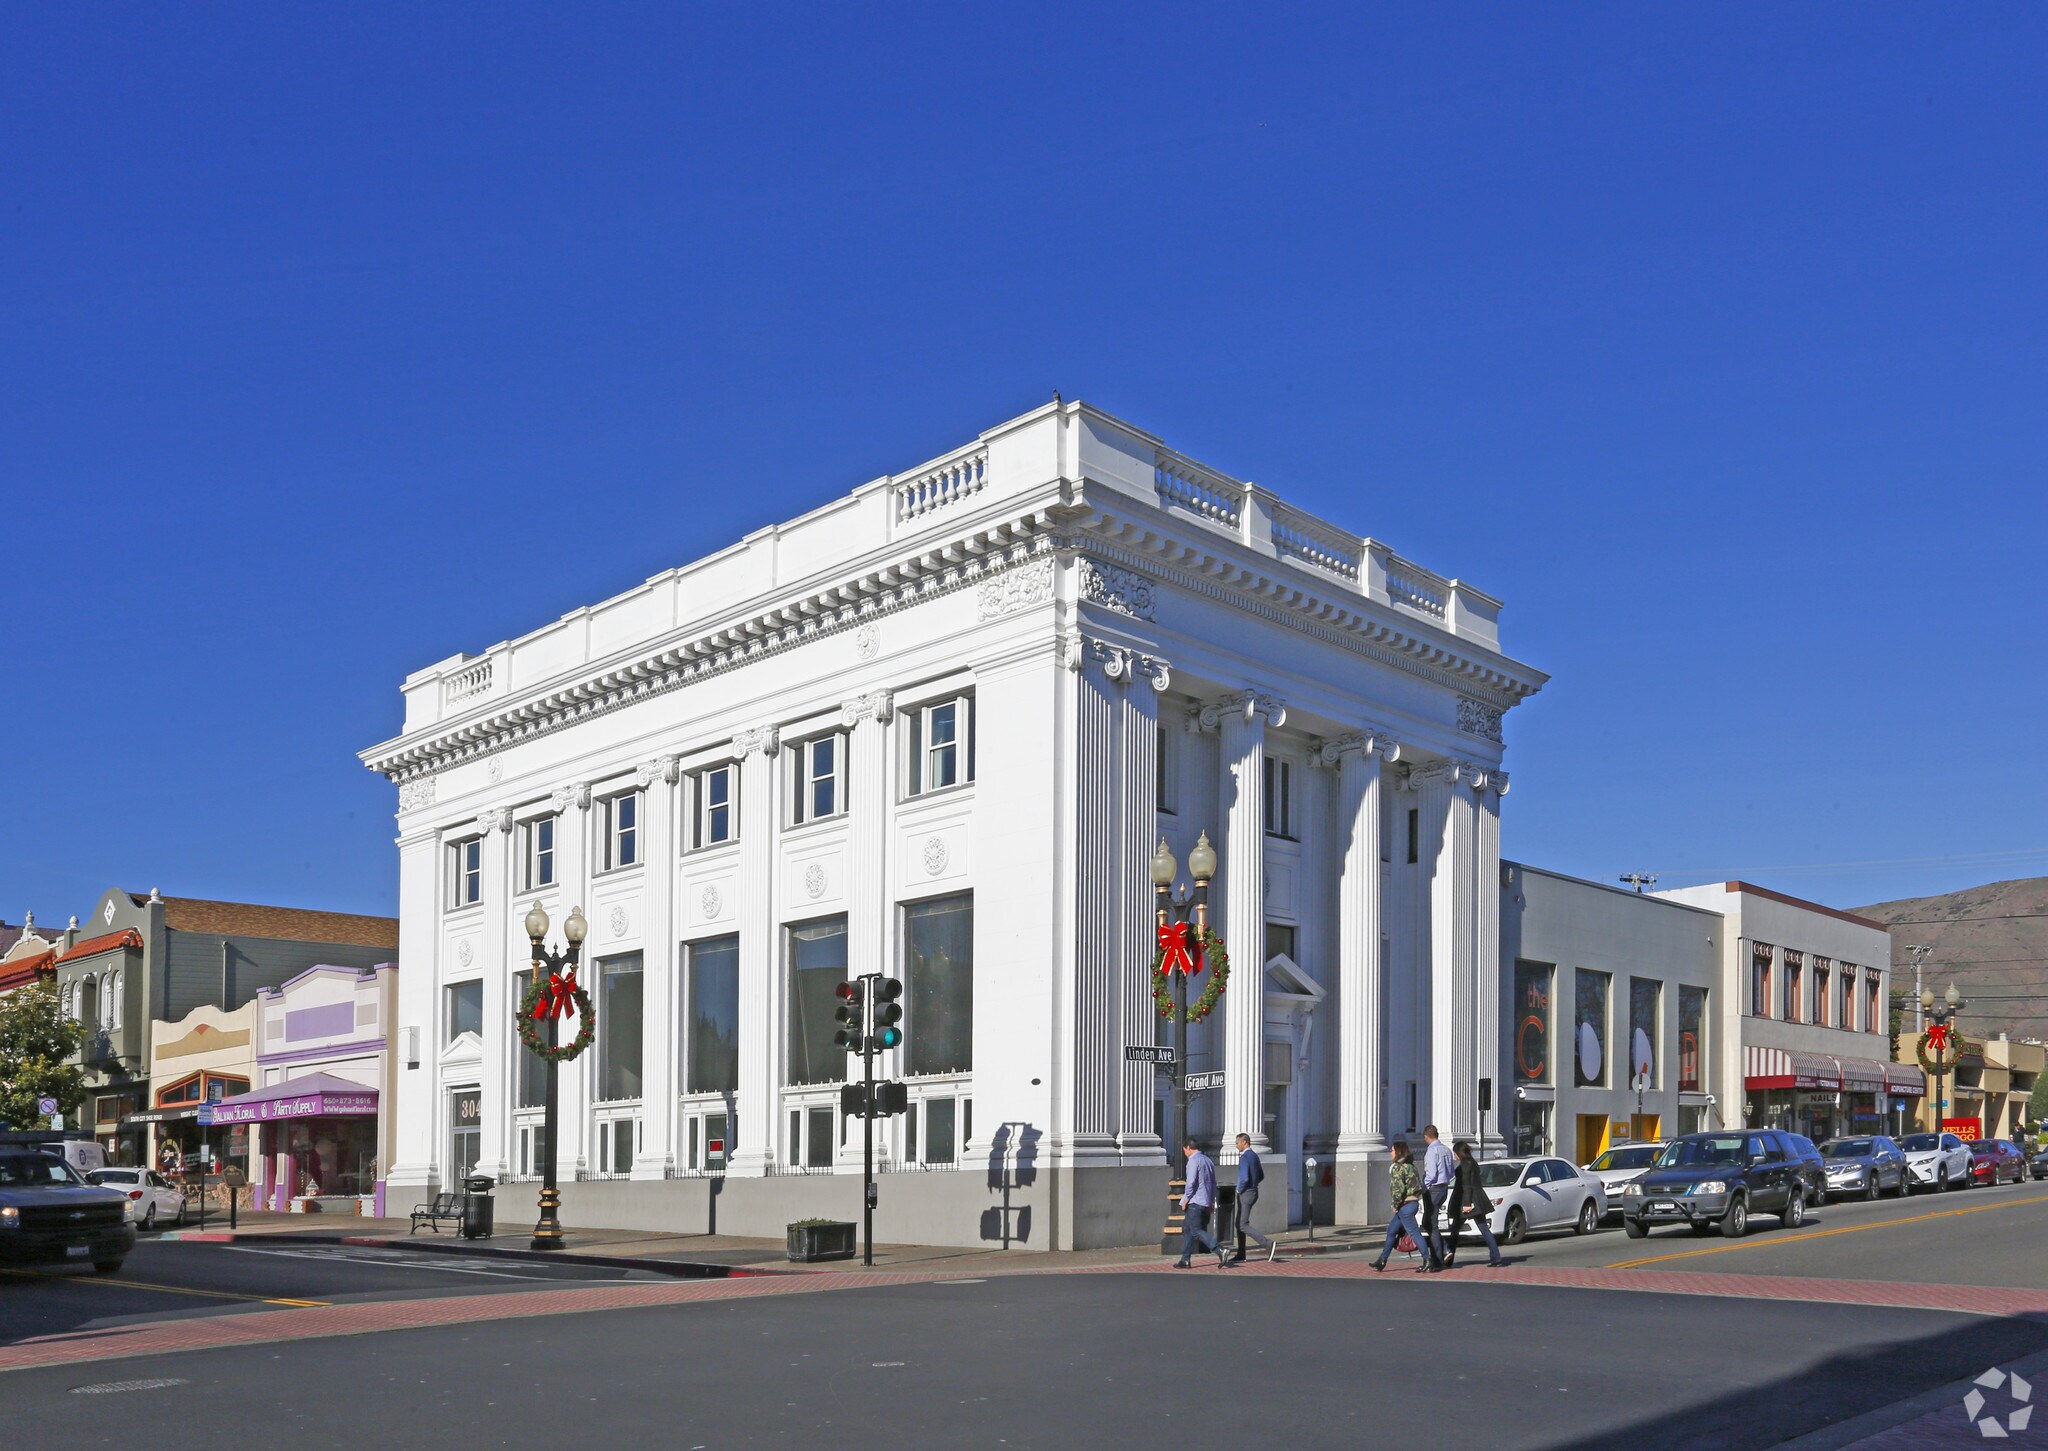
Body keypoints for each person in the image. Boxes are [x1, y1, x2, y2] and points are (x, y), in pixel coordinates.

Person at [1370, 1139, 1427, 1272]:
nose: (1391, 1152)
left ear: (1398, 1151)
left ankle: (1427, 1259)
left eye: (1393, 1150)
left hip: (1404, 1205)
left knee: (1414, 1233)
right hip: (1412, 1203)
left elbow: (1398, 1190)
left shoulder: (1398, 1167)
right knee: (1392, 1231)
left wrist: (1396, 1205)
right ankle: (1382, 1260)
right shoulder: (1411, 1166)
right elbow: (1418, 1186)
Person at [1445, 1139, 1504, 1268]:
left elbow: (1467, 1185)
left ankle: (1448, 1254)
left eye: (1455, 1153)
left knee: (1455, 1229)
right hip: (1478, 1199)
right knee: (1483, 1228)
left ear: (1460, 1153)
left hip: (1467, 1200)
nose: (1455, 1155)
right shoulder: (1473, 1163)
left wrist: (1466, 1203)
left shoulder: (1465, 1165)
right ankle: (1496, 1257)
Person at [1174, 1139, 1230, 1269]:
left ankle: (1219, 1249)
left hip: (1195, 1201)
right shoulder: (1208, 1160)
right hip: (1204, 1201)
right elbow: (1212, 1183)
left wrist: (1185, 1199)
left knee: (1196, 1230)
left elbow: (1191, 1183)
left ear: (1188, 1147)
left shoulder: (1193, 1161)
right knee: (1187, 1229)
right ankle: (1185, 1259)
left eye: (1184, 1150)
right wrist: (1210, 1201)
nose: (1185, 1153)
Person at [1230, 1132, 1276, 1263]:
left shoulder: (1244, 1157)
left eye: (1237, 1143)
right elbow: (1261, 1175)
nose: (1236, 1145)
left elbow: (1244, 1178)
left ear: (1244, 1142)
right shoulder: (1254, 1156)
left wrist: (1239, 1189)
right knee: (1239, 1223)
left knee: (1242, 1224)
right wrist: (1253, 1184)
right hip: (1254, 1191)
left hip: (1246, 1193)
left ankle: (1267, 1243)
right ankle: (1241, 1253)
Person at [1419, 1124, 1455, 1271]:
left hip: (1433, 1189)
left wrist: (1424, 1187)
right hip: (1444, 1188)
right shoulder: (1446, 1149)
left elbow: (1431, 1174)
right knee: (1429, 1223)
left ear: (1427, 1136)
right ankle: (1444, 1249)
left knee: (1430, 1224)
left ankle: (1439, 1258)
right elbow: (1452, 1172)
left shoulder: (1431, 1151)